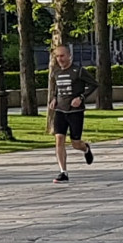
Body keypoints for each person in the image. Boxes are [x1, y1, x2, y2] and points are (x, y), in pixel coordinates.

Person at [47, 43, 97, 183]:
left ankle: (85, 148)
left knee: (75, 143)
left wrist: (81, 98)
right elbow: (57, 89)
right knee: (59, 140)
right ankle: (63, 172)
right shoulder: (56, 72)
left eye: (62, 56)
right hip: (60, 111)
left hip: (75, 111)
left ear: (69, 56)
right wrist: (54, 99)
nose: (60, 59)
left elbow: (94, 84)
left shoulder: (78, 71)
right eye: (57, 56)